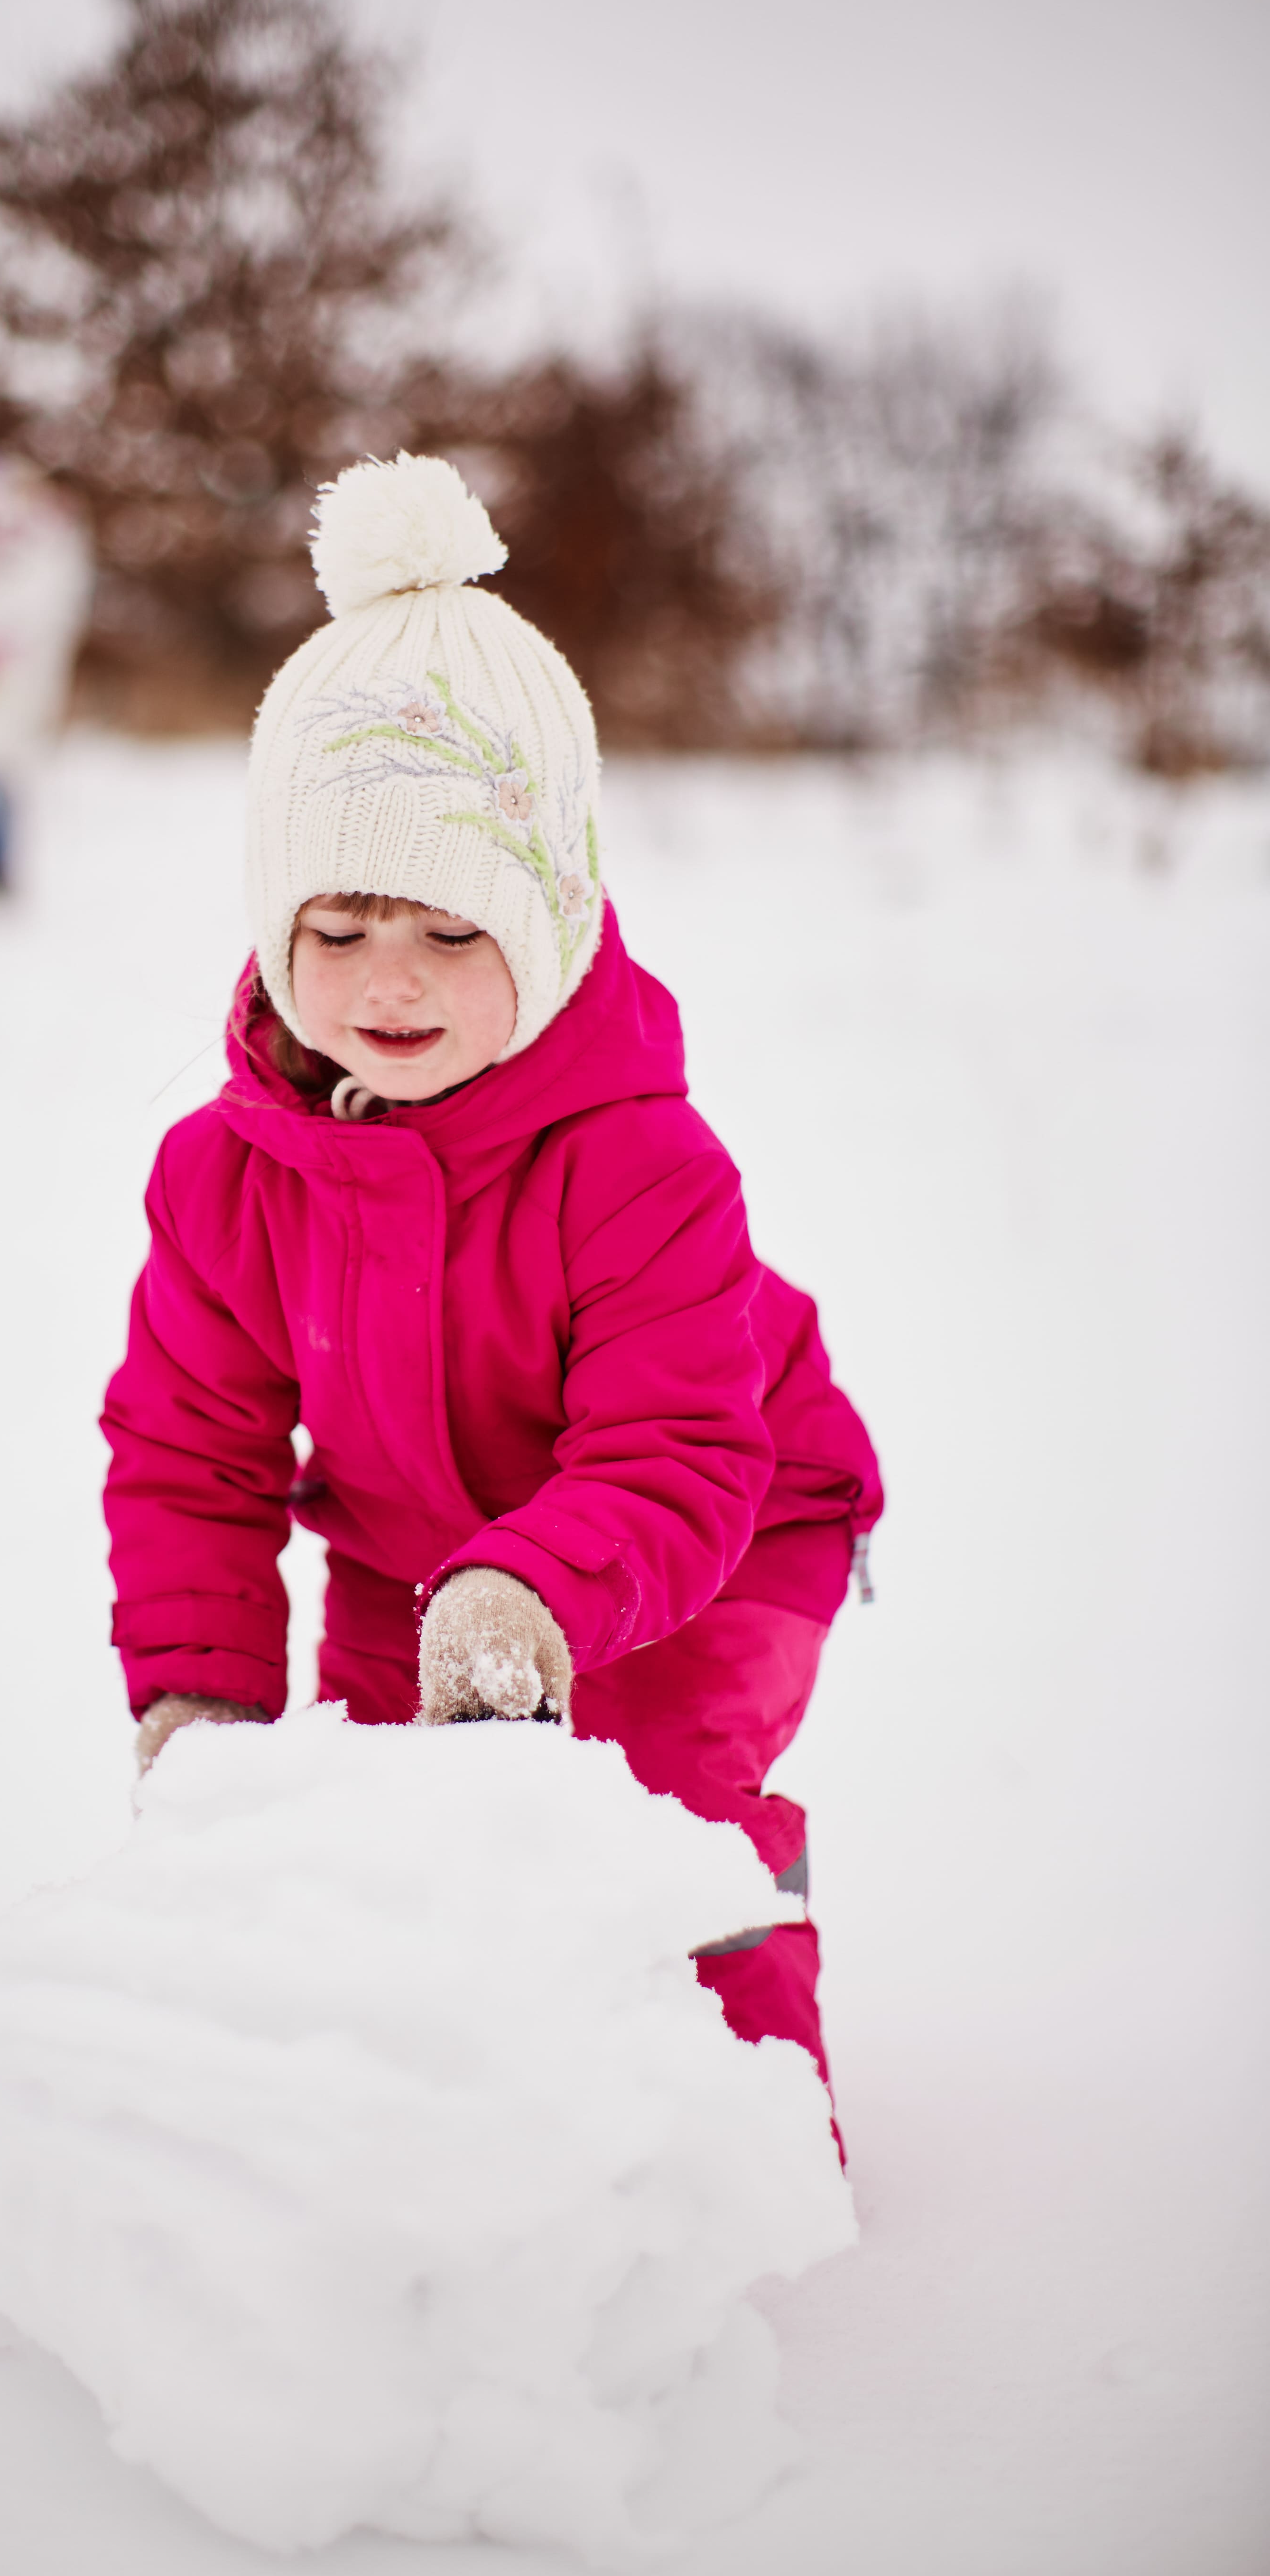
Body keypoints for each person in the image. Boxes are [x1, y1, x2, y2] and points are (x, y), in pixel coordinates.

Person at [102, 453, 881, 2103]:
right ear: (273, 925)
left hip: (719, 1533)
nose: (390, 981)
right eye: (341, 926)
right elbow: (190, 1455)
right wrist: (203, 1703)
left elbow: (678, 1449)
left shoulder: (638, 1161)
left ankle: (736, 2127)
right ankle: (434, 2138)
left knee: (653, 1802)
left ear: (546, 917)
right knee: (380, 1825)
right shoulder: (224, 1179)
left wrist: (529, 1600)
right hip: (421, 1556)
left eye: (454, 934)